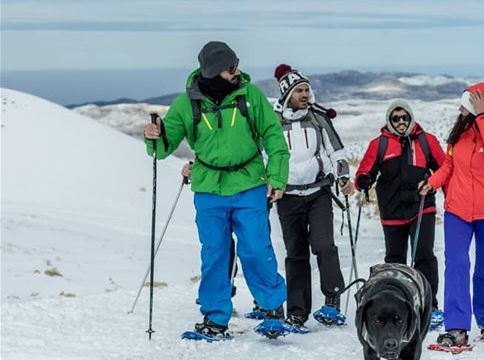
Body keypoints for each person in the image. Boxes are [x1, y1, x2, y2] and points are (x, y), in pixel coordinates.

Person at [144, 41, 290, 340]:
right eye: (231, 68)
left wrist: (277, 177)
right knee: (215, 253)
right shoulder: (187, 104)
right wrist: (154, 137)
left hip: (249, 183)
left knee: (255, 248)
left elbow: (273, 137)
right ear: (212, 72)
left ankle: (272, 307)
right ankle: (215, 317)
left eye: (236, 65)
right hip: (209, 188)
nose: (238, 71)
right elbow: (163, 148)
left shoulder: (250, 96)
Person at [419, 81, 484, 348]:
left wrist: (483, 117)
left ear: (483, 104)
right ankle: (457, 327)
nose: (460, 108)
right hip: (457, 211)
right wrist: (433, 182)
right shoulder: (459, 135)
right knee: (457, 265)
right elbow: (449, 165)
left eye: (467, 102)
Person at [272, 64, 355, 328]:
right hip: (288, 197)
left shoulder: (319, 119)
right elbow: (266, 156)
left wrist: (342, 176)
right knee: (295, 253)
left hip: (319, 192)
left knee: (324, 246)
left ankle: (332, 301)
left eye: (307, 89)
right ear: (287, 94)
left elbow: (337, 152)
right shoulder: (273, 124)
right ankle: (297, 312)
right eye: (300, 90)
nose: (306, 94)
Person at [354, 99, 446, 328]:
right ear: (389, 120)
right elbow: (364, 173)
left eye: (405, 117)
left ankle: (429, 307)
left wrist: (433, 183)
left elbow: (445, 168)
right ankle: (396, 304)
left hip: (422, 205)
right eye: (396, 118)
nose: (401, 122)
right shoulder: (379, 145)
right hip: (392, 210)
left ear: (411, 118)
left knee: (423, 256)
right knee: (395, 261)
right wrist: (363, 180)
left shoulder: (427, 141)